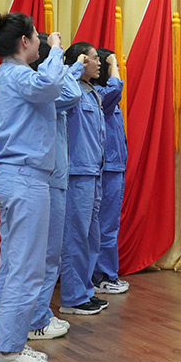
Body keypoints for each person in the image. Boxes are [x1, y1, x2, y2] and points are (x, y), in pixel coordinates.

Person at [0, 12, 64, 362]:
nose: (41, 42)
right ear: (24, 42)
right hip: (24, 179)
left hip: (12, 177)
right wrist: (57, 50)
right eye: (37, 37)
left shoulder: (6, 76)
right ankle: (8, 353)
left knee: (13, 266)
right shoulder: (19, 76)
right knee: (26, 268)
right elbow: (51, 85)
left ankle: (6, 343)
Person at [28, 34, 87, 340]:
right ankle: (36, 319)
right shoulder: (44, 87)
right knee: (46, 255)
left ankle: (38, 314)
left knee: (47, 254)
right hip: (48, 178)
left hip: (53, 176)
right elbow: (73, 94)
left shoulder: (45, 86)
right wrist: (58, 59)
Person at [58, 42, 109, 315]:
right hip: (77, 172)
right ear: (80, 60)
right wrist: (74, 69)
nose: (99, 62)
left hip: (94, 171)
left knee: (91, 237)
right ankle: (72, 297)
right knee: (75, 238)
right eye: (93, 58)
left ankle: (85, 291)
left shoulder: (92, 92)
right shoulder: (71, 89)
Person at [90, 48, 129, 294]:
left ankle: (103, 273)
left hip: (115, 166)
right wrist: (112, 63)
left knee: (108, 224)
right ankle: (103, 275)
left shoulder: (106, 97)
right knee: (106, 226)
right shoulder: (100, 95)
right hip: (107, 168)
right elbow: (115, 88)